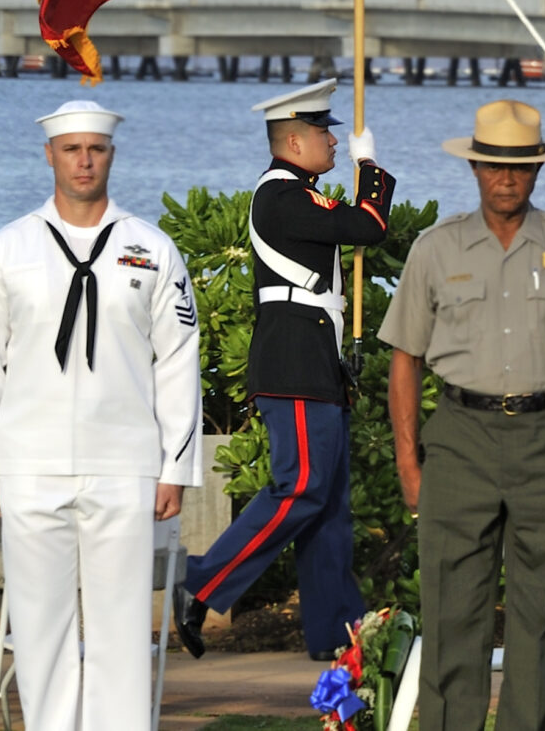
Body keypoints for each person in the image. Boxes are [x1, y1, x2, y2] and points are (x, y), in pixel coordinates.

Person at [381, 99, 545, 731]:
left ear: (538, 171)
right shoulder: (435, 250)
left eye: (520, 166)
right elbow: (405, 360)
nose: (507, 178)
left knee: (541, 616)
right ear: (473, 168)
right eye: (494, 166)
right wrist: (408, 460)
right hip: (460, 441)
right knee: (450, 614)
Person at [0, 98, 201, 731]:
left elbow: (177, 363)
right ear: (50, 156)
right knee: (39, 630)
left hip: (125, 466)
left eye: (95, 148)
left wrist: (175, 465)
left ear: (111, 155)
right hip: (27, 466)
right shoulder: (8, 249)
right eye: (72, 149)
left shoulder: (151, 248)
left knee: (122, 627)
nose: (84, 160)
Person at [176, 80, 396, 662]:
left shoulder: (300, 192)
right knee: (299, 487)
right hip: (294, 362)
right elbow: (369, 225)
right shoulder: (282, 195)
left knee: (328, 509)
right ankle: (201, 581)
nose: (332, 140)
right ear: (294, 140)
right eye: (324, 132)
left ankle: (335, 636)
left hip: (314, 361)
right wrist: (368, 164)